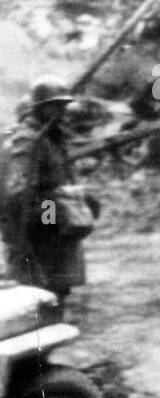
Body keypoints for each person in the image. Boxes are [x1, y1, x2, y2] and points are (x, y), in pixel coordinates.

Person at [1, 79, 96, 308]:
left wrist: (76, 200)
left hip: (56, 226)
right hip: (40, 229)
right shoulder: (28, 138)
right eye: (56, 106)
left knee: (58, 290)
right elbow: (19, 192)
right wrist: (52, 215)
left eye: (64, 106)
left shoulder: (53, 136)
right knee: (39, 295)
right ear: (40, 107)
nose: (62, 112)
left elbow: (60, 177)